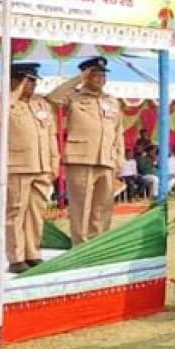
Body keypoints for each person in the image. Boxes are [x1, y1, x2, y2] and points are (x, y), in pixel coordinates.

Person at [0, 63, 58, 273]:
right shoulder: (4, 103)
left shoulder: (40, 105)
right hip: (17, 166)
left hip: (41, 166)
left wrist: (54, 162)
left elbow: (50, 135)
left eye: (34, 81)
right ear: (15, 80)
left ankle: (32, 252)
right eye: (27, 80)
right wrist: (14, 92)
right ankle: (16, 257)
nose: (32, 85)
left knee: (36, 212)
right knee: (15, 212)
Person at [47, 56, 124, 243]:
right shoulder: (74, 97)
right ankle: (80, 245)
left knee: (103, 206)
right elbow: (52, 98)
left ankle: (98, 244)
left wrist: (119, 158)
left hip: (106, 160)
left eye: (103, 75)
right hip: (80, 158)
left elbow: (118, 131)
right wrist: (78, 79)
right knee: (81, 206)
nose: (100, 79)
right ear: (86, 76)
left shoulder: (112, 101)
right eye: (95, 75)